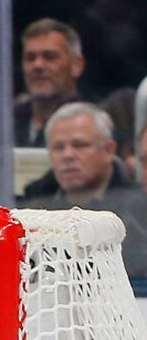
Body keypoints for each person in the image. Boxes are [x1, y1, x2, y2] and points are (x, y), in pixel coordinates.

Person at [19, 102, 147, 277]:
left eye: (79, 145)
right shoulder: (28, 208)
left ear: (109, 150)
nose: (68, 155)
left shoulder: (140, 209)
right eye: (58, 147)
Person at [0, 19, 86, 150]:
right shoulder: (9, 119)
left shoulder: (90, 123)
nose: (38, 65)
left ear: (76, 65)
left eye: (50, 57)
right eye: (30, 58)